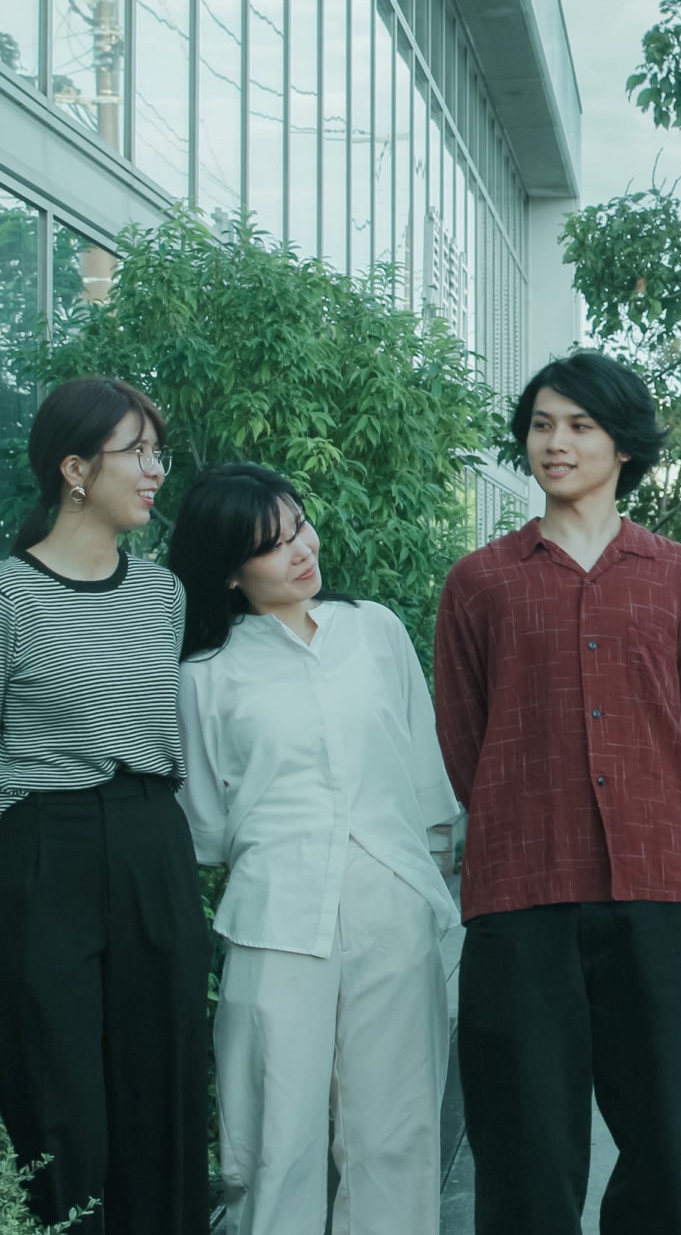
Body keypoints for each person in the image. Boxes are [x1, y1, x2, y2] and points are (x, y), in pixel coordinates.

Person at [433, 351, 681, 1235]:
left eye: (579, 425)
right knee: (523, 1150)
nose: (554, 443)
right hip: (522, 889)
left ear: (624, 444)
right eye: (541, 425)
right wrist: (528, 806)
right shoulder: (479, 582)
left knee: (670, 1143)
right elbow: (465, 737)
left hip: (659, 885)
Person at [0, 376, 210, 1235]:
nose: (155, 470)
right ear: (75, 470)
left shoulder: (162, 594)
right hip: (42, 851)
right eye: (138, 452)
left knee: (164, 1085)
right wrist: (37, 848)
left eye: (158, 452)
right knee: (59, 1103)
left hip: (152, 844)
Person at [168, 463, 463, 1235]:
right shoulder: (204, 675)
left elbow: (425, 776)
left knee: (395, 1134)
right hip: (276, 919)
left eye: (299, 524)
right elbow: (205, 826)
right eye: (272, 545)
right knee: (273, 1138)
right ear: (228, 573)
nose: (302, 549)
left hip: (392, 904)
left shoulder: (375, 630)